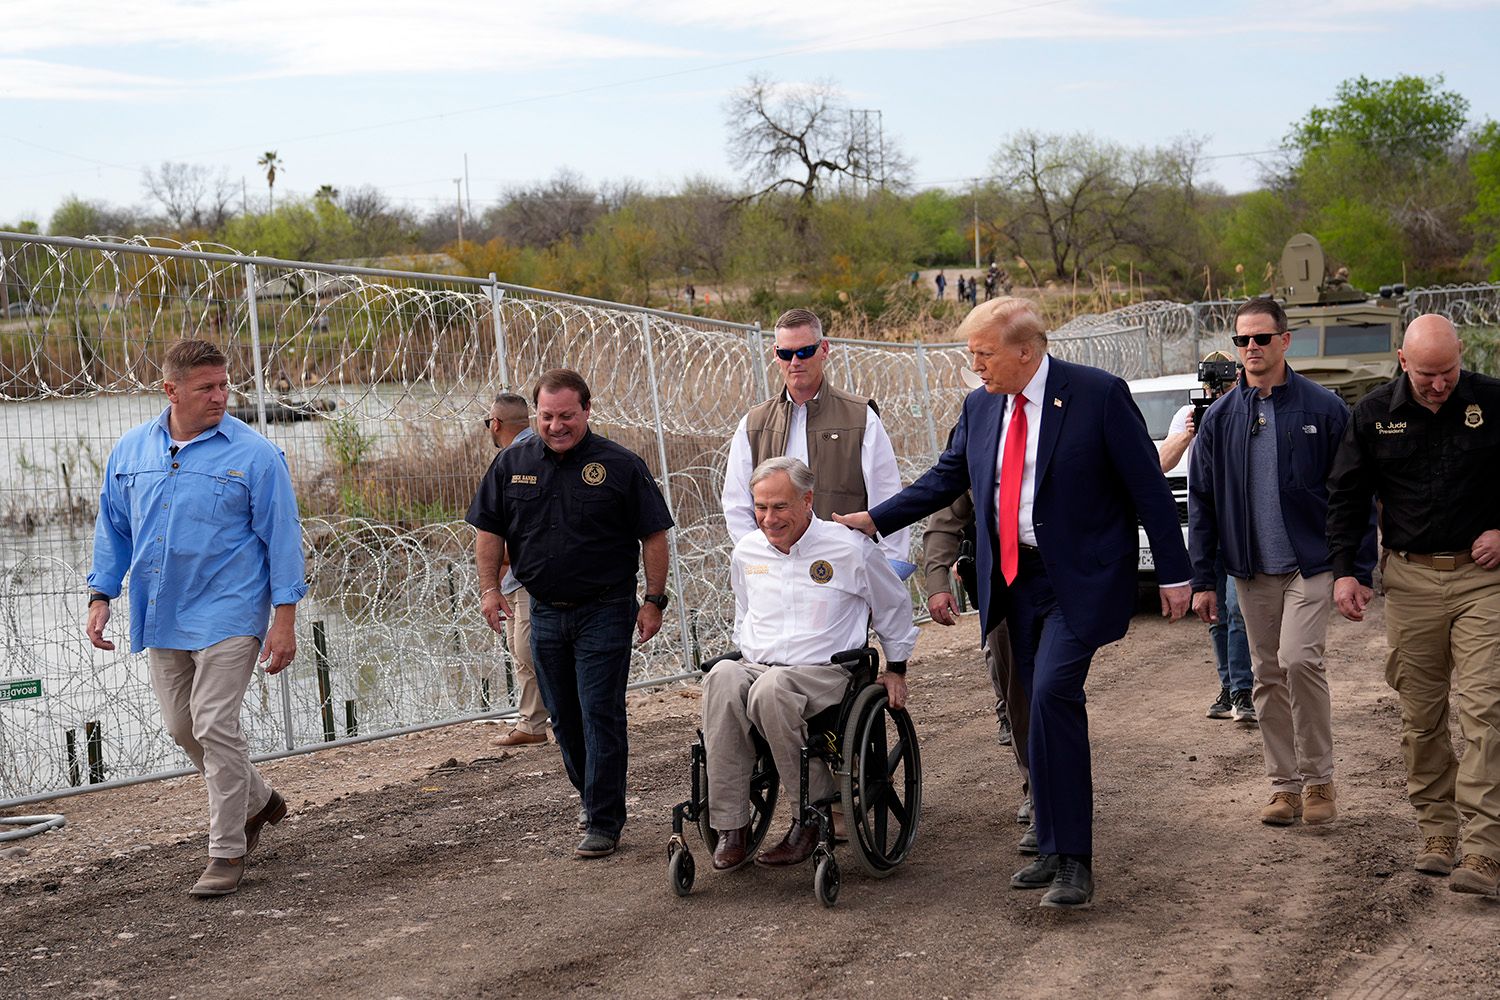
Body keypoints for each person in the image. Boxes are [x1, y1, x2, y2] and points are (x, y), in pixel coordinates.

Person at [836, 297, 1191, 911]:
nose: (973, 365)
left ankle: (1075, 861)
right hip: (1010, 580)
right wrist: (873, 519)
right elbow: (944, 480)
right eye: (970, 354)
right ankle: (1050, 845)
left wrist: (1177, 573)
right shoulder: (980, 406)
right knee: (1031, 712)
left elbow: (1147, 489)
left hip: (1076, 579)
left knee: (1055, 694)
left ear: (1026, 351)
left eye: (982, 353)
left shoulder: (1098, 395)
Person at [86, 338, 306, 898]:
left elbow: (282, 540)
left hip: (231, 609)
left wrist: (284, 619)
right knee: (183, 729)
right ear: (172, 390)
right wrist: (100, 595)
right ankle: (260, 801)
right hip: (162, 610)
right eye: (207, 387)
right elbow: (112, 530)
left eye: (224, 384)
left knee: (212, 724)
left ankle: (227, 851)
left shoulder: (256, 455)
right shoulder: (131, 452)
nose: (220, 396)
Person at [466, 368, 674, 859]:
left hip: (605, 607)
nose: (556, 426)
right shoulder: (511, 463)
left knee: (599, 711)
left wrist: (654, 600)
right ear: (535, 414)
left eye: (566, 416)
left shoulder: (620, 465)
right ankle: (590, 797)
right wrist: (489, 589)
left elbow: (654, 535)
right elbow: (489, 531)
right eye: (546, 416)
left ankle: (603, 819)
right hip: (543, 612)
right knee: (564, 715)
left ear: (586, 411)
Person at [1327, 314, 1500, 893]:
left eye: (1448, 371)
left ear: (1461, 358)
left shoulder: (1492, 402)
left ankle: (1483, 850)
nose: (1439, 384)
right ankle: (1437, 831)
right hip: (1410, 583)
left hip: (1484, 581)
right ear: (1404, 361)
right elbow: (1346, 498)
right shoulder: (1374, 414)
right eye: (1427, 373)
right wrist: (1345, 574)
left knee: (1485, 714)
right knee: (1421, 718)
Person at [1189, 298, 1372, 828]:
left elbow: (1354, 492)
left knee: (1299, 660)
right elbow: (1202, 501)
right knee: (1267, 674)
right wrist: (1203, 579)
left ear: (1284, 341)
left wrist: (1353, 569)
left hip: (1310, 564)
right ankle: (1284, 787)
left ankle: (1319, 778)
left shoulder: (1324, 408)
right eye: (1243, 340)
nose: (1251, 348)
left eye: (1262, 339)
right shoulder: (1222, 419)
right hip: (1251, 569)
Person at [702, 458, 918, 871]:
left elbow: (893, 605)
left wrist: (897, 667)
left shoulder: (848, 547)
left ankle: (811, 814)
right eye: (760, 507)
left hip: (827, 673)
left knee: (773, 689)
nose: (769, 518)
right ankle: (732, 824)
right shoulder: (747, 551)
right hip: (761, 665)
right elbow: (743, 611)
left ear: (807, 501)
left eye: (779, 506)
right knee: (722, 677)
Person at [720, 308, 909, 569]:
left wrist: (892, 566)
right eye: (786, 354)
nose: (795, 361)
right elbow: (737, 504)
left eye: (805, 351)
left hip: (846, 567)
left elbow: (885, 494)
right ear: (776, 355)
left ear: (824, 350)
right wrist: (761, 559)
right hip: (778, 569)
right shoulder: (754, 424)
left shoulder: (860, 418)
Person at [922, 481, 1035, 851]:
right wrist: (938, 579)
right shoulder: (977, 427)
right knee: (1018, 697)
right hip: (1004, 582)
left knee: (1054, 692)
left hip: (1067, 578)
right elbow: (946, 514)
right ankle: (1038, 791)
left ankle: (1057, 799)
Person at [1158, 352, 1255, 723]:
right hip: (1205, 527)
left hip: (1239, 526)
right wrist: (1188, 434)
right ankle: (1228, 686)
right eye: (1211, 385)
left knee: (1236, 608)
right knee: (1213, 612)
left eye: (1224, 384)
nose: (1216, 391)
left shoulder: (1246, 409)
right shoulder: (1188, 415)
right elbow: (1162, 462)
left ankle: (1244, 689)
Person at [483, 392, 550, 748]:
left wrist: (504, 554)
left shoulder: (517, 459)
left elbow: (523, 522)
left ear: (496, 424)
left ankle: (550, 719)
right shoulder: (529, 454)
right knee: (523, 652)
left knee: (531, 651)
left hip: (527, 577)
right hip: (517, 578)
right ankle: (531, 722)